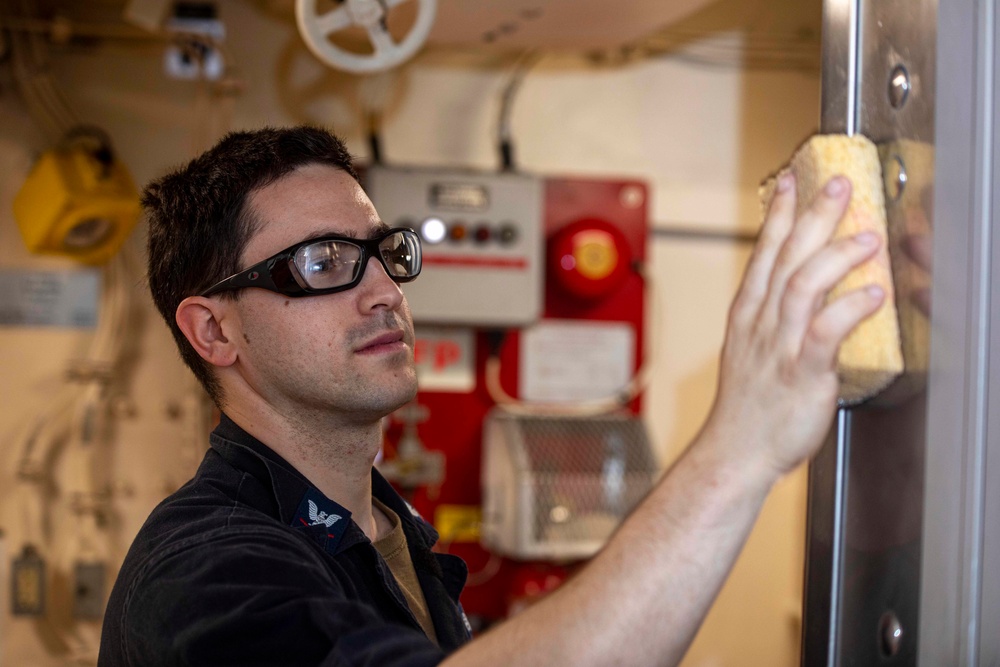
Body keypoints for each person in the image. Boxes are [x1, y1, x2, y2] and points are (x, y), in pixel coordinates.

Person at [98, 125, 886, 666]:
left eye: (383, 252)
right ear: (213, 332)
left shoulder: (391, 529)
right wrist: (739, 445)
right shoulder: (200, 576)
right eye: (324, 261)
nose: (384, 292)